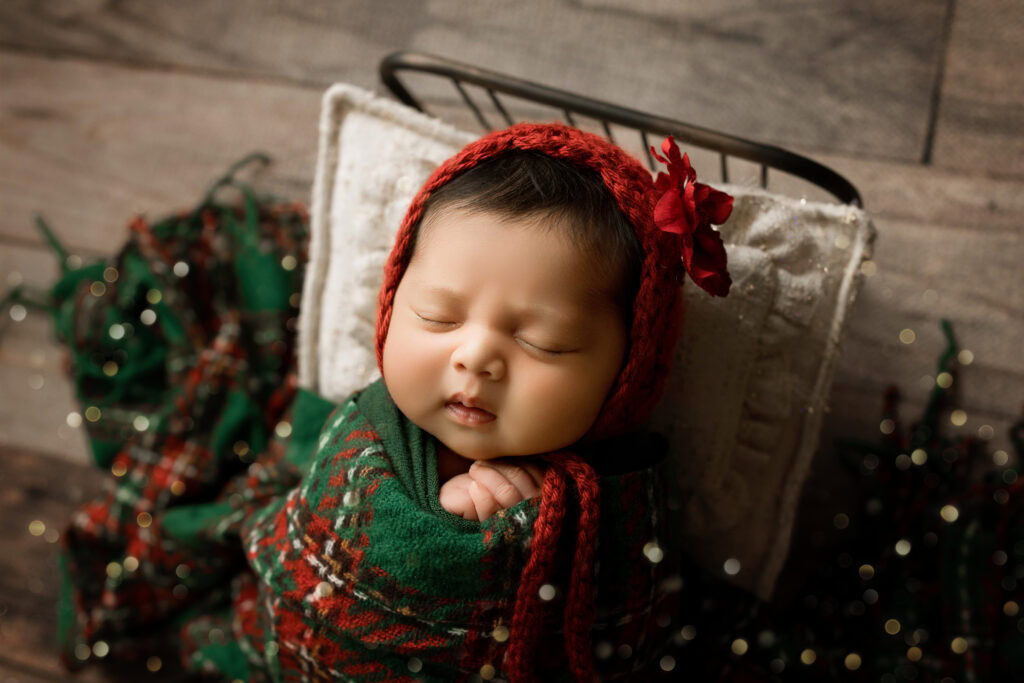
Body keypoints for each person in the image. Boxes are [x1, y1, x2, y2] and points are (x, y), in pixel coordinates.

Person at [59, 122, 733, 682]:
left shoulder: (620, 497)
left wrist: (523, 537)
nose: (474, 357)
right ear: (391, 304)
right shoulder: (368, 433)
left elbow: (631, 629)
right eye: (438, 317)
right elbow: (309, 587)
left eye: (546, 343)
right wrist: (443, 525)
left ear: (630, 371)